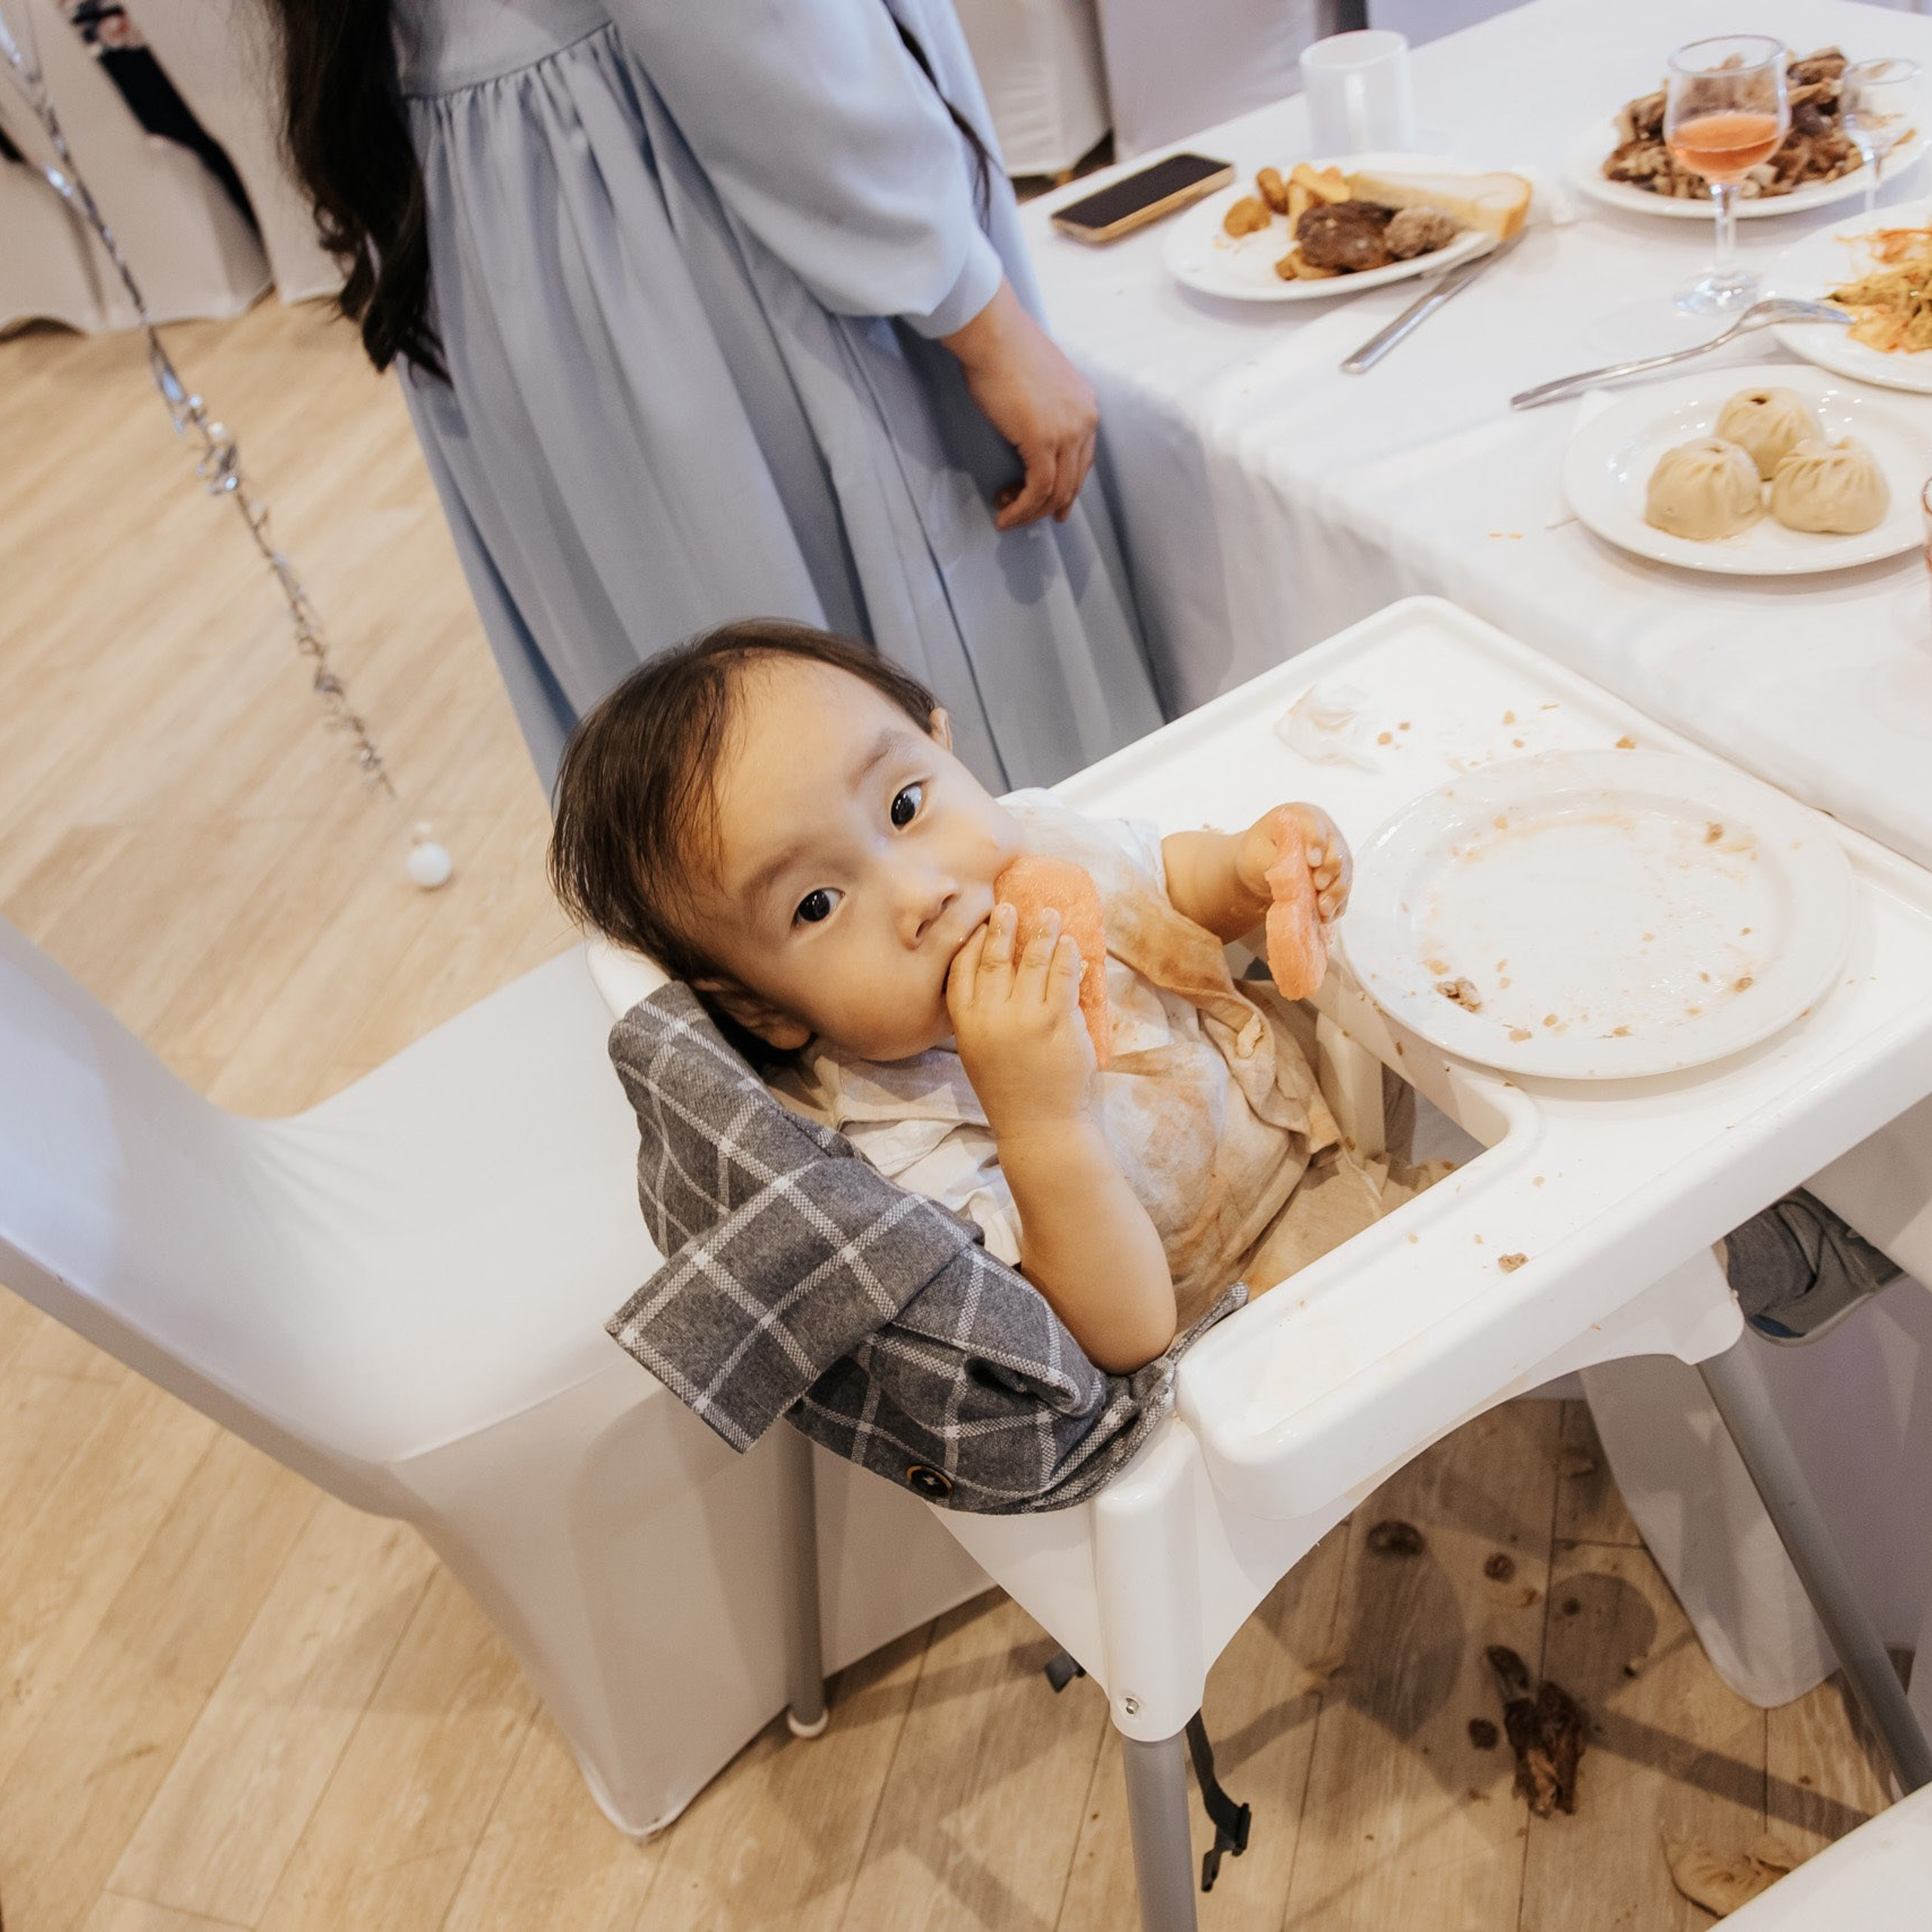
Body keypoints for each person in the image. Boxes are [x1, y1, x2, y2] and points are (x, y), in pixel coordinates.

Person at [263, 0, 1164, 793]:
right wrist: (975, 311)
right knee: (867, 752)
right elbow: (752, 30)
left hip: (505, 211)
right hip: (680, 194)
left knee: (723, 765)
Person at [549, 621, 1445, 1373]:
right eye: (817, 904)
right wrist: (1041, 1121)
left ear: (943, 746)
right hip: (1240, 1323)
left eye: (905, 806)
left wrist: (1249, 869)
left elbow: (1162, 886)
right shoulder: (906, 1141)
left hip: (1320, 1133)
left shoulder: (1039, 841)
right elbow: (1124, 1336)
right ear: (763, 1009)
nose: (921, 892)